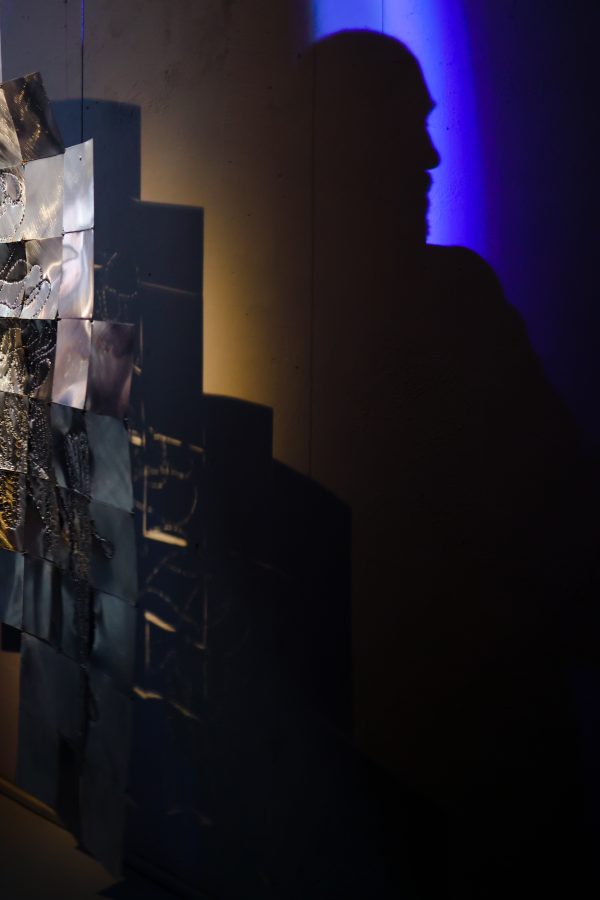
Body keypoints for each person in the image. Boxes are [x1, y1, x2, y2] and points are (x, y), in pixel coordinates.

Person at [308, 30, 592, 897]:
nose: (430, 157)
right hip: (480, 769)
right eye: (405, 128)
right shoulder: (454, 300)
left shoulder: (286, 320)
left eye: (425, 126)